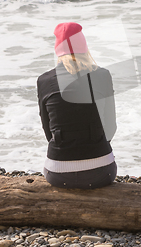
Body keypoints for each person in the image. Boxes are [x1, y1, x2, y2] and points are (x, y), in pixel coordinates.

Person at [37, 22, 117, 189]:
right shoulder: (102, 75)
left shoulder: (44, 81)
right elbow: (111, 128)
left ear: (57, 49)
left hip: (59, 173)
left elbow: (48, 131)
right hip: (102, 171)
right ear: (84, 47)